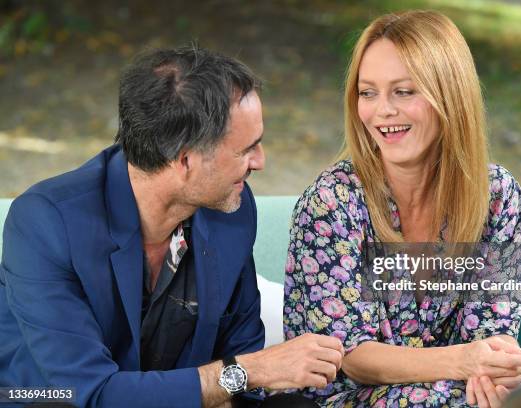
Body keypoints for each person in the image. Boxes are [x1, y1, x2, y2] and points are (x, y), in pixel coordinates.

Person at [0, 46, 343, 408]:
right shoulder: (46, 223)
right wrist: (243, 372)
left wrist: (243, 377)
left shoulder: (232, 209)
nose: (261, 161)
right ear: (185, 160)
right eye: (246, 149)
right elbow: (95, 394)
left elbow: (243, 356)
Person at [284, 11, 521, 408]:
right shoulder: (332, 201)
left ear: (449, 94)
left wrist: (499, 367)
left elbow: (493, 331)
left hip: (457, 394)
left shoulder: (498, 196)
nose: (381, 110)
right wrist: (464, 363)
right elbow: (352, 357)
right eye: (367, 92)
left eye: (403, 91)